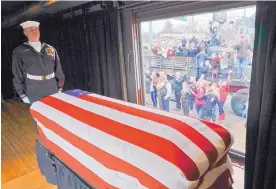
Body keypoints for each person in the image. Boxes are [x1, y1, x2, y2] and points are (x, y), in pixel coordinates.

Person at [12, 21, 65, 104]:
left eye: (36, 29)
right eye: (30, 30)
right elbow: (17, 74)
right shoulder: (19, 51)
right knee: (38, 114)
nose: (34, 32)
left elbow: (58, 70)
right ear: (25, 33)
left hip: (52, 87)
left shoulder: (50, 49)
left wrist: (60, 87)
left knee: (54, 112)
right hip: (34, 90)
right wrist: (22, 94)